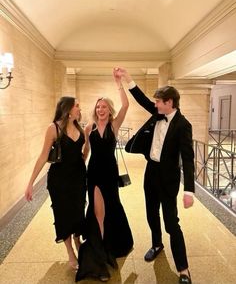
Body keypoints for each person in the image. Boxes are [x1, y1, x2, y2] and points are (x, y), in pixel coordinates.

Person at [119, 68, 194, 284]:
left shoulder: (183, 125)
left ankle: (183, 269)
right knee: (151, 213)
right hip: (151, 171)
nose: (156, 105)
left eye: (159, 102)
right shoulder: (157, 114)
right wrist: (128, 78)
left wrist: (189, 190)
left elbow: (188, 159)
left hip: (168, 178)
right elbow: (142, 99)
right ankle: (156, 244)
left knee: (172, 223)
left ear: (169, 102)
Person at [75, 68, 133, 282]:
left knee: (113, 207)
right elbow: (86, 151)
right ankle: (100, 254)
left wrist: (119, 83)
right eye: (98, 106)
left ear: (110, 110)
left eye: (104, 106)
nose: (101, 109)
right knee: (98, 212)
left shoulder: (114, 125)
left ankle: (113, 243)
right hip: (95, 174)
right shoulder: (88, 127)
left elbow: (126, 105)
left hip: (110, 172)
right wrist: (77, 162)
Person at [25, 97, 87, 271]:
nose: (79, 108)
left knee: (78, 211)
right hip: (59, 181)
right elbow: (43, 156)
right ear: (67, 109)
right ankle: (70, 252)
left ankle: (77, 241)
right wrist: (30, 183)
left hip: (79, 179)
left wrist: (83, 163)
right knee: (63, 214)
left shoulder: (78, 126)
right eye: (76, 106)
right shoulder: (54, 128)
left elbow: (82, 151)